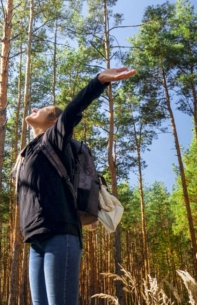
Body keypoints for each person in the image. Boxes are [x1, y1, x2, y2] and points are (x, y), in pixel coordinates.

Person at [15, 67, 136, 305]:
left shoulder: (53, 140)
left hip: (61, 233)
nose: (35, 109)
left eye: (44, 110)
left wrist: (98, 81)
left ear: (53, 121)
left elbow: (71, 112)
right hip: (36, 239)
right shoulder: (29, 152)